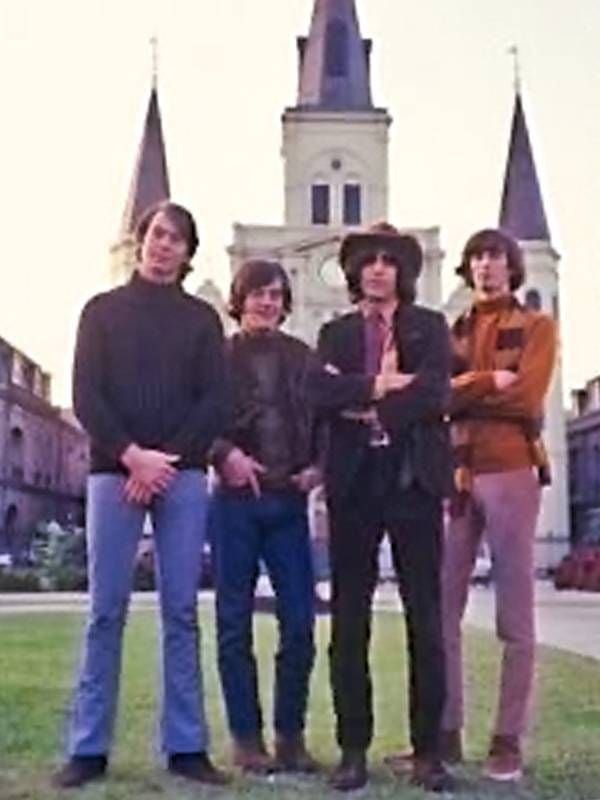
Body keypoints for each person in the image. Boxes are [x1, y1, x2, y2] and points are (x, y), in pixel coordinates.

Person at [53, 201, 228, 788]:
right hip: (113, 473)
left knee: (181, 611)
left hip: (180, 476)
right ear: (140, 241)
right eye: (157, 235)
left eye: (176, 239)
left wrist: (164, 462)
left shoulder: (203, 321)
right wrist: (132, 455)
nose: (163, 246)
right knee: (106, 611)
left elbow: (213, 402)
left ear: (187, 252)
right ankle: (88, 748)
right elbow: (87, 394)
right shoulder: (101, 312)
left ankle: (186, 747)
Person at [314, 222, 453, 792]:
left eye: (388, 260)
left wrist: (376, 410)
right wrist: (379, 386)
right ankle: (353, 751)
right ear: (355, 272)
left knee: (426, 618)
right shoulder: (335, 333)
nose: (377, 268)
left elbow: (437, 390)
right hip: (354, 486)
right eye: (367, 260)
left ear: (403, 271)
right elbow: (321, 393)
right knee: (350, 621)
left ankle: (428, 753)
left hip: (414, 481)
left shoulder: (431, 327)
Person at [441, 228, 556, 782]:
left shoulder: (537, 326)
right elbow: (437, 395)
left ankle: (506, 740)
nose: (486, 266)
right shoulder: (453, 329)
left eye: (495, 257)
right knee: (442, 609)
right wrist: (486, 379)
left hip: (512, 469)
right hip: (459, 472)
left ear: (512, 267)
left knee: (515, 612)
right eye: (477, 258)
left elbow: (527, 397)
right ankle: (445, 732)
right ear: (468, 269)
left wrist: (464, 390)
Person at [209, 259, 322, 775]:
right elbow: (193, 417)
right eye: (257, 293)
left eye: (276, 294)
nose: (267, 302)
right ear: (240, 299)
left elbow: (327, 418)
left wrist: (319, 467)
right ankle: (247, 739)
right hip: (234, 504)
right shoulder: (217, 357)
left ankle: (290, 735)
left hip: (289, 504)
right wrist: (223, 452)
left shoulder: (303, 358)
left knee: (299, 621)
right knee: (233, 625)